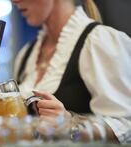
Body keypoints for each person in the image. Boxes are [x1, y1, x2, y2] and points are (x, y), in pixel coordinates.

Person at [12, 0, 131, 143]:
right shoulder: (25, 54)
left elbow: (126, 125)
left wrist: (72, 126)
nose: (14, 1)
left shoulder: (99, 41)